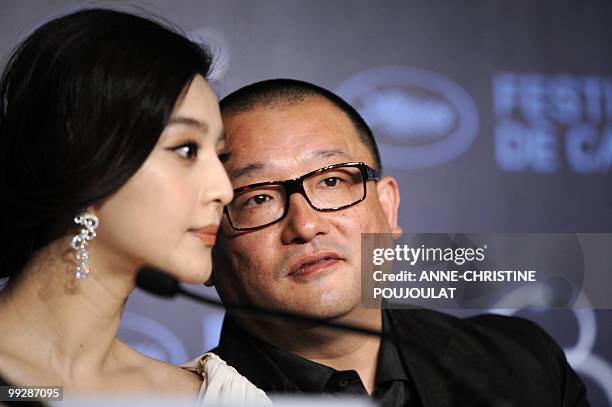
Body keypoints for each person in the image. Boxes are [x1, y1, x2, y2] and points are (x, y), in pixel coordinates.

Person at [209, 78, 589, 406]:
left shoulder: (520, 363)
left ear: (388, 209)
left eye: (331, 182)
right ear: (206, 238)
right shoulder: (183, 397)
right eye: (257, 199)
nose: (305, 226)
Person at [0, 8, 268, 404]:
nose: (224, 190)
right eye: (186, 149)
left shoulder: (224, 398)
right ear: (85, 161)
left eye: (220, 156)